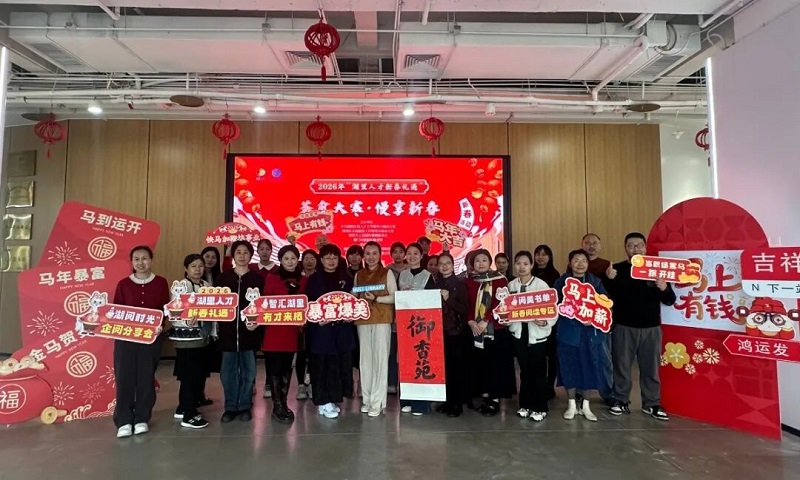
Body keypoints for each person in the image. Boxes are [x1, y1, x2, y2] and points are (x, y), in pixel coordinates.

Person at [606, 232, 676, 421]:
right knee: (621, 366)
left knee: (650, 368)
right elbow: (605, 298)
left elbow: (670, 300)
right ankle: (620, 400)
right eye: (630, 245)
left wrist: (664, 287)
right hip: (623, 327)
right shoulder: (616, 270)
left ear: (646, 247)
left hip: (651, 328)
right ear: (625, 248)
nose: (635, 249)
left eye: (639, 245)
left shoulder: (657, 269)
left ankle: (651, 403)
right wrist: (609, 279)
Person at [112, 246, 169, 438]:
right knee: (124, 377)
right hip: (126, 338)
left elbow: (164, 309)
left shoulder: (160, 282)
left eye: (144, 258)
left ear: (151, 260)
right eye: (136, 259)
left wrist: (160, 325)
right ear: (132, 262)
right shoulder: (123, 284)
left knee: (146, 377)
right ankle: (124, 420)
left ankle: (142, 417)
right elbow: (116, 312)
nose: (141, 262)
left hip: (151, 338)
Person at [554, 249, 609, 422]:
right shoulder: (561, 282)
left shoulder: (595, 282)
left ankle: (586, 405)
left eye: (584, 260)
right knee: (568, 366)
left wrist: (593, 318)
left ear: (588, 263)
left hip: (589, 333)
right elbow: (554, 304)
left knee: (589, 367)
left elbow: (605, 304)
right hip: (568, 332)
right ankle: (571, 404)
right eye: (576, 260)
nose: (580, 264)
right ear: (570, 264)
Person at [215, 240, 263, 423]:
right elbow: (214, 304)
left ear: (251, 255)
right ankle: (230, 407)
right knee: (227, 373)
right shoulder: (223, 278)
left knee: (249, 372)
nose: (242, 256)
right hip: (227, 333)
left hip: (249, 333)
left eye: (245, 252)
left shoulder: (257, 279)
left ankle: (244, 405)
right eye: (238, 252)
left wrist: (257, 322)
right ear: (233, 256)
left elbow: (263, 306)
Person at [306, 244, 356, 419]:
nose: (331, 261)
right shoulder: (314, 279)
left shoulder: (346, 278)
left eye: (334, 258)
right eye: (328, 258)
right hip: (321, 331)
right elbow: (308, 304)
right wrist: (317, 318)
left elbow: (352, 301)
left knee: (338, 365)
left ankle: (331, 400)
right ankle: (323, 401)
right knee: (321, 366)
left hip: (341, 330)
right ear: (321, 260)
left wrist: (351, 316)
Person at [464, 249, 514, 416]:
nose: (480, 263)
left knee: (495, 365)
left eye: (484, 260)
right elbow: (467, 304)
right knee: (481, 365)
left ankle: (494, 399)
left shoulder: (500, 280)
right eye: (477, 261)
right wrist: (471, 321)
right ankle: (484, 396)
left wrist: (486, 319)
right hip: (475, 330)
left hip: (495, 330)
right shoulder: (469, 281)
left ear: (490, 262)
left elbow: (502, 303)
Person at [262, 245, 307, 423]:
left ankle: (283, 402)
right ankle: (277, 406)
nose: (290, 261)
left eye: (293, 258)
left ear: (297, 260)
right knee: (275, 369)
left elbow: (306, 304)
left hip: (292, 332)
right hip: (274, 331)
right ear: (280, 260)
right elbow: (265, 302)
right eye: (286, 258)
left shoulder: (304, 280)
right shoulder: (272, 278)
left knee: (287, 369)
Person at [507, 251, 553, 422]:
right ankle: (525, 405)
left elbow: (552, 309)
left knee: (538, 372)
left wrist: (545, 321)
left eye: (525, 264)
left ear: (532, 265)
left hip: (537, 335)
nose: (522, 267)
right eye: (518, 263)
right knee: (524, 372)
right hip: (519, 334)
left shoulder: (541, 285)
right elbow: (506, 309)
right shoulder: (511, 285)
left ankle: (540, 407)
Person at [353, 242, 397, 417]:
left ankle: (378, 402)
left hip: (382, 319)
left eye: (374, 253)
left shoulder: (387, 273)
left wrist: (377, 299)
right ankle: (367, 399)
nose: (371, 257)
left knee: (380, 359)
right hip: (363, 320)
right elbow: (355, 295)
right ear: (364, 256)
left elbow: (394, 296)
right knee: (365, 361)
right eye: (368, 253)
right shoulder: (359, 275)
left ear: (380, 255)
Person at [169, 254, 212, 429]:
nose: (197, 269)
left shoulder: (207, 286)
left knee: (198, 374)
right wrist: (187, 321)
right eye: (193, 266)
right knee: (189, 376)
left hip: (203, 338)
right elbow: (174, 311)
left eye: (201, 266)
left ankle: (183, 407)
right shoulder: (180, 286)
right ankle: (189, 415)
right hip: (186, 339)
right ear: (186, 269)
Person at [397, 242, 437, 415]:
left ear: (421, 256)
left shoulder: (428, 276)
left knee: (421, 361)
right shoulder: (402, 275)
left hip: (422, 326)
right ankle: (406, 399)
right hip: (405, 325)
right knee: (406, 362)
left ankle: (421, 403)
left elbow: (431, 301)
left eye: (416, 253)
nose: (412, 256)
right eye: (410, 253)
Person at [434, 252, 469, 417]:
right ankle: (447, 401)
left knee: (456, 369)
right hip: (438, 333)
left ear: (453, 265)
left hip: (455, 332)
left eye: (447, 263)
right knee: (443, 369)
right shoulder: (435, 284)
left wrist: (448, 299)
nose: (444, 266)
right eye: (441, 263)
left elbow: (465, 309)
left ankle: (457, 404)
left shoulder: (459, 284)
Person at [580, 233, 614, 404]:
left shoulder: (607, 265)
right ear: (582, 245)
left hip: (600, 319)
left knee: (603, 358)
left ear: (600, 246)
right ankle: (580, 391)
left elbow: (611, 295)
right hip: (580, 318)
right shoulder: (575, 265)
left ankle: (608, 393)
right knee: (581, 356)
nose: (591, 246)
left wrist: (610, 277)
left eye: (594, 243)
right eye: (588, 243)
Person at [533, 244, 560, 399]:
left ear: (550, 257)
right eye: (538, 254)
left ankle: (550, 385)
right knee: (538, 355)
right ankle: (539, 383)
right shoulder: (530, 273)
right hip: (532, 321)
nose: (540, 257)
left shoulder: (555, 275)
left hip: (549, 321)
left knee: (551, 354)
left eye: (544, 254)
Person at [199, 246, 223, 401]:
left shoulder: (220, 277)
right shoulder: (194, 276)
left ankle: (201, 393)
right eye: (207, 256)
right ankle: (197, 393)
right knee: (198, 361)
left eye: (213, 257)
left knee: (207, 361)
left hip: (214, 326)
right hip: (198, 324)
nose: (210, 260)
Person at [386, 241, 407, 394]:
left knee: (407, 351)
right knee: (392, 351)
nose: (398, 255)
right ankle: (392, 383)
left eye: (401, 251)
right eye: (395, 252)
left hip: (408, 316)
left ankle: (407, 382)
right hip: (392, 317)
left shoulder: (410, 270)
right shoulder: (386, 271)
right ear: (391, 254)